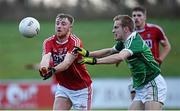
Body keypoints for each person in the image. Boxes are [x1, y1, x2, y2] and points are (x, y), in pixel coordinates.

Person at [74, 15, 167, 110]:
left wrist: (95, 61)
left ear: (126, 29)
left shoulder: (134, 41)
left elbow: (119, 57)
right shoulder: (124, 42)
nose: (113, 31)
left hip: (152, 84)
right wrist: (87, 53)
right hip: (141, 87)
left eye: (116, 27)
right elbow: (110, 51)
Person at [39, 13, 92, 110]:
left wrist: (53, 70)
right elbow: (45, 57)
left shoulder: (75, 42)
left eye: (63, 24)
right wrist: (43, 69)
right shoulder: (48, 41)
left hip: (81, 89)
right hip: (64, 87)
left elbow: (66, 63)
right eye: (57, 23)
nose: (59, 26)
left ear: (70, 27)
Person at [128, 6, 171, 100]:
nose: (136, 18)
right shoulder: (129, 33)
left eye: (139, 15)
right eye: (134, 15)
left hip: (151, 71)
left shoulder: (155, 30)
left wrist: (160, 60)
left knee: (152, 100)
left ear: (145, 17)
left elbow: (167, 46)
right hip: (136, 72)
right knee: (134, 99)